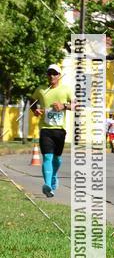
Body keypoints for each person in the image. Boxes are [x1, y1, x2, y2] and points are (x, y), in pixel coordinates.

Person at [30, 63, 74, 198]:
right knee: (47, 157)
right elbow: (32, 102)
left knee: (57, 159)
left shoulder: (66, 90)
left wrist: (64, 106)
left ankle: (54, 175)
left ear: (59, 76)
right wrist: (35, 109)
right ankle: (48, 185)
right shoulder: (41, 90)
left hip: (60, 130)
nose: (52, 76)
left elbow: (77, 105)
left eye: (55, 73)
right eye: (49, 73)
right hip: (45, 129)